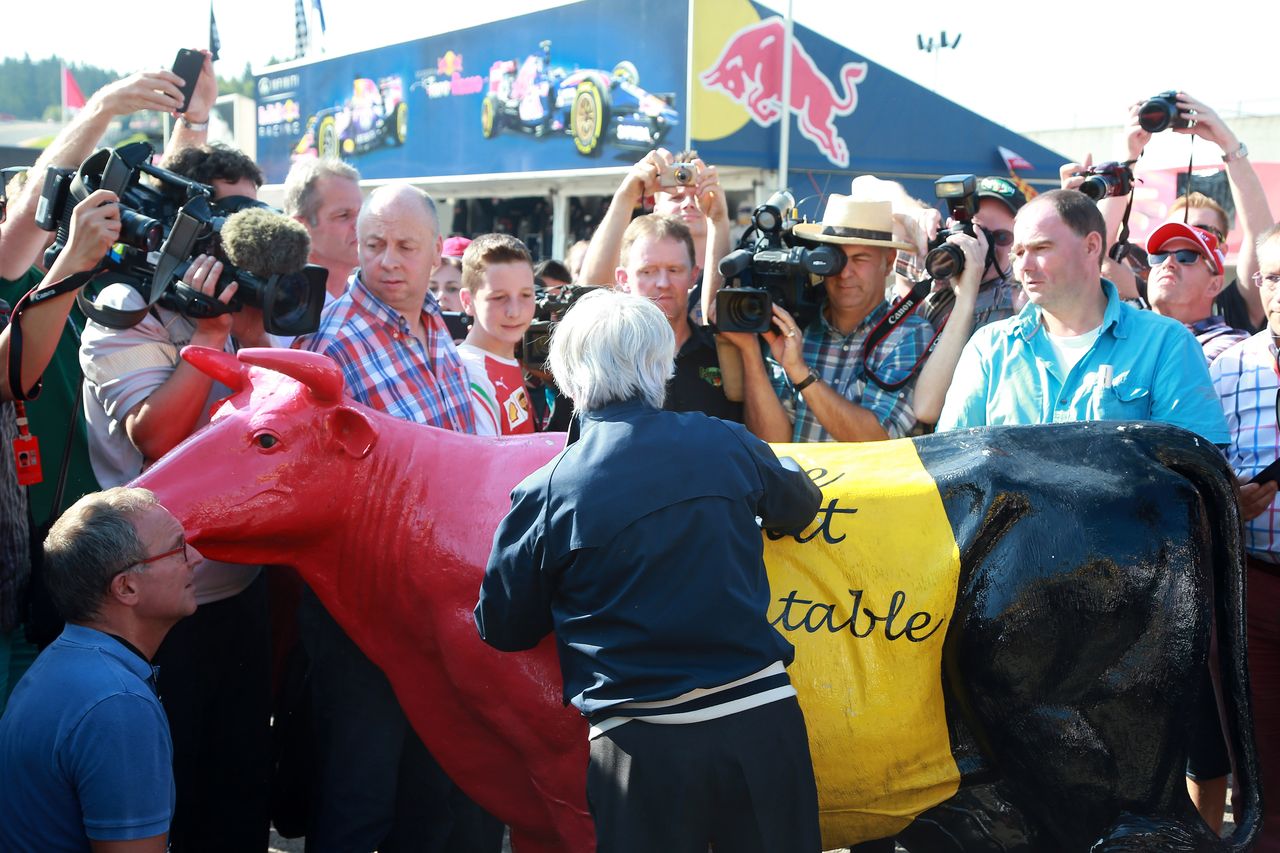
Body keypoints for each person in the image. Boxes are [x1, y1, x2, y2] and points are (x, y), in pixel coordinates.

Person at [475, 288, 823, 853]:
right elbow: (800, 507)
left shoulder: (546, 491)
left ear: (565, 375)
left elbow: (503, 627)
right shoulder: (725, 441)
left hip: (640, 746)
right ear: (661, 366)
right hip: (760, 722)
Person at [78, 149, 275, 850]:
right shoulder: (126, 303)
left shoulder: (254, 302)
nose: (245, 235)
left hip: (240, 588)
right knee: (166, 801)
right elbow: (157, 436)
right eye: (230, 215)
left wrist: (247, 328)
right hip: (153, 605)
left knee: (241, 790)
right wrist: (214, 335)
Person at [298, 184, 499, 851]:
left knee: (429, 790)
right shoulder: (333, 341)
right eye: (374, 244)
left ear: (438, 253)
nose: (388, 261)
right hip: (370, 606)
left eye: (406, 246)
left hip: (439, 602)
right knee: (360, 794)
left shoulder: (437, 324)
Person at [936, 189, 1228, 446]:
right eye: (1018, 252)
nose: (1024, 265)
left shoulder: (1166, 342)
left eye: (1041, 248)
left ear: (1091, 246)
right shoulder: (989, 347)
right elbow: (953, 462)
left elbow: (1194, 473)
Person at [0, 487, 197, 852]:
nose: (196, 559)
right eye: (179, 549)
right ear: (126, 587)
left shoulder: (63, 662)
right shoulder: (118, 706)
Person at [716, 196, 932, 443]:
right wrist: (751, 350)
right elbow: (770, 445)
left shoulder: (910, 333)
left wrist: (801, 373)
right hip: (795, 483)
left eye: (860, 259)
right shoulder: (796, 326)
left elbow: (878, 438)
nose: (845, 273)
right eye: (835, 258)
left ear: (889, 262)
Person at [1211, 224, 1280, 852]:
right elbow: (1204, 463)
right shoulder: (1227, 365)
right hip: (1254, 584)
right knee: (1259, 770)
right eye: (1276, 277)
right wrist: (1226, 495)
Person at [1100, 92, 1273, 329]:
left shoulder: (1233, 310)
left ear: (1221, 251)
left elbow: (1262, 239)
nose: (1171, 258)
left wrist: (1228, 144)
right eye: (1160, 252)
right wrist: (1127, 158)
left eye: (1188, 254)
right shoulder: (1143, 303)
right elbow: (1094, 252)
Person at [616, 213, 742, 420]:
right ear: (623, 279)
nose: (663, 283)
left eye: (674, 270)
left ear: (693, 275)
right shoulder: (605, 359)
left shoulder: (722, 352)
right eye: (648, 271)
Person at [458, 233, 536, 435]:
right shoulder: (470, 374)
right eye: (499, 297)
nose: (515, 311)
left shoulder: (512, 360)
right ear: (468, 301)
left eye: (526, 295)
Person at [282, 157, 363, 302]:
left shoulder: (373, 302)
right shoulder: (285, 312)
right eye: (344, 215)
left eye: (363, 213)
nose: (360, 225)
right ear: (300, 228)